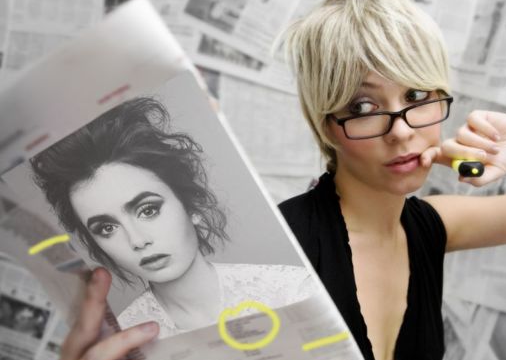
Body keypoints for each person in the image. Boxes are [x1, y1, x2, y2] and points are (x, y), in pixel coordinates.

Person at [54, 0, 506, 360]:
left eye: (418, 96)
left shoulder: (431, 225)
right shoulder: (283, 255)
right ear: (326, 126)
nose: (401, 130)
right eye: (364, 107)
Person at [30, 97, 314, 340]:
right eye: (107, 228)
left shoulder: (295, 291)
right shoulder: (124, 344)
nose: (137, 240)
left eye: (148, 210)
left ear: (192, 206)